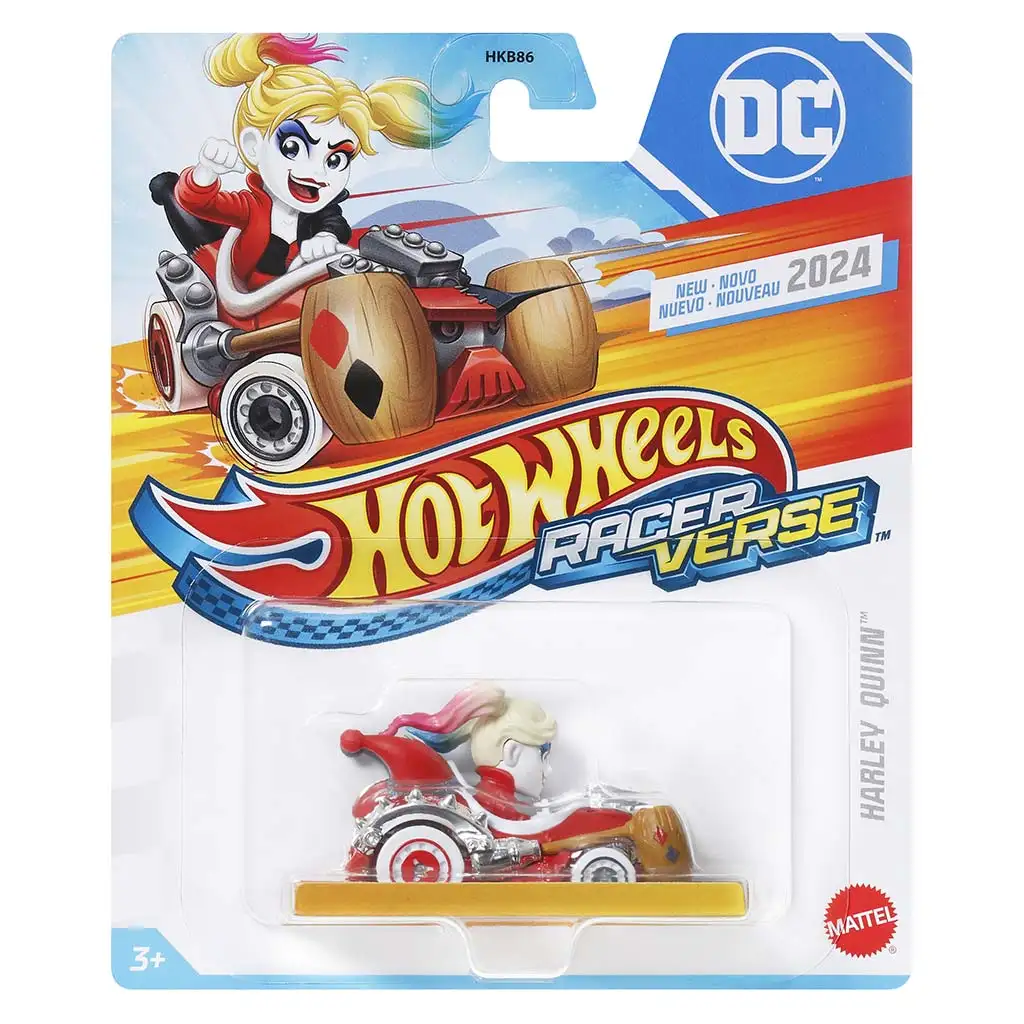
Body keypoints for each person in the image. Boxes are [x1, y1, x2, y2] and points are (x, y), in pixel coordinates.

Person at [150, 32, 483, 284]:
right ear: (253, 147)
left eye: (336, 160)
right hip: (258, 295)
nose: (316, 172)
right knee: (182, 207)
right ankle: (165, 189)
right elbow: (200, 203)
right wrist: (207, 170)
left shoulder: (323, 212)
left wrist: (326, 239)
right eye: (293, 148)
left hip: (318, 290)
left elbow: (334, 223)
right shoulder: (250, 207)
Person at [382, 683, 557, 819]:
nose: (548, 770)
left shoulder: (500, 806)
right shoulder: (499, 810)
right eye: (543, 756)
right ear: (512, 752)